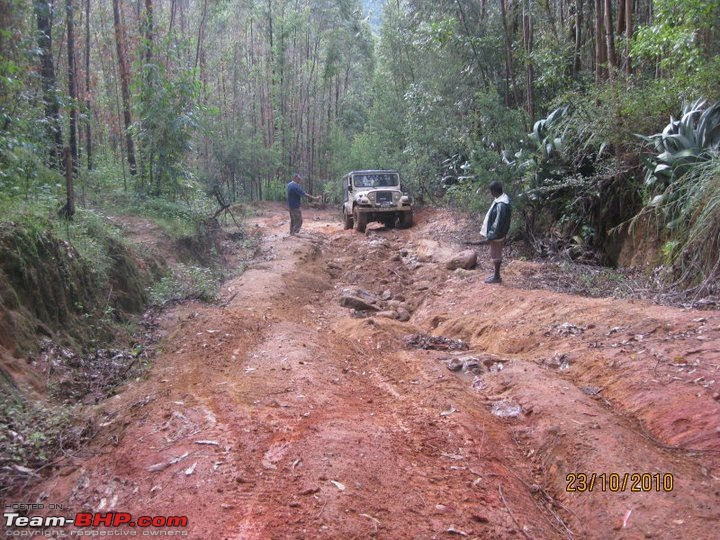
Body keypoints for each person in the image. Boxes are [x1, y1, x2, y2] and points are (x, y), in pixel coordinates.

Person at [480, 181, 512, 284]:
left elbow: (497, 223)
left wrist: (490, 236)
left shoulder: (501, 205)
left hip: (497, 235)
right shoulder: (502, 199)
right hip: (500, 233)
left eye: (491, 191)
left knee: (496, 255)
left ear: (494, 191)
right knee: (495, 254)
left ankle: (497, 277)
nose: (491, 193)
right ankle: (496, 275)